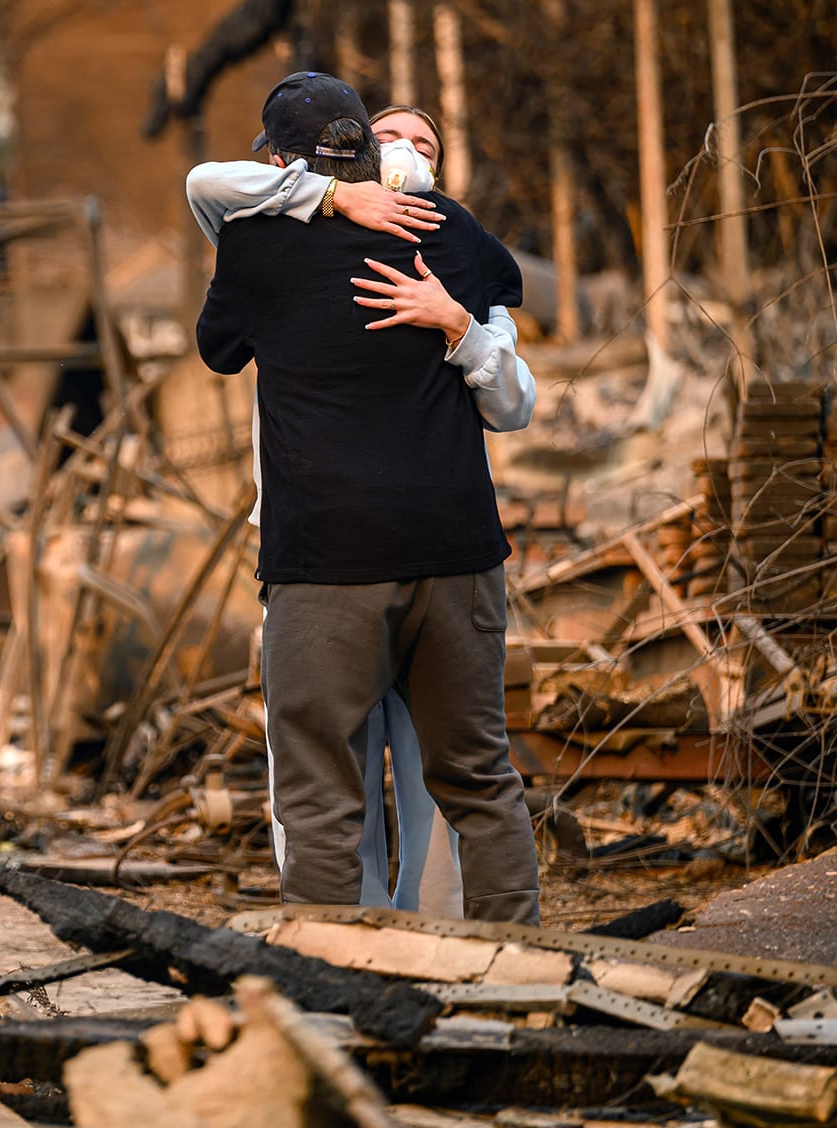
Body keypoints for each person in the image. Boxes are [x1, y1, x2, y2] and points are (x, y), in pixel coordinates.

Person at [196, 71, 540, 923]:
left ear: (280, 158)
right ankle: (515, 975)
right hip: (455, 552)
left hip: (326, 563)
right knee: (479, 778)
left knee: (319, 795)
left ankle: (328, 985)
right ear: (369, 148)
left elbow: (218, 346)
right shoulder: (454, 232)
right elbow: (503, 289)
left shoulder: (254, 243)